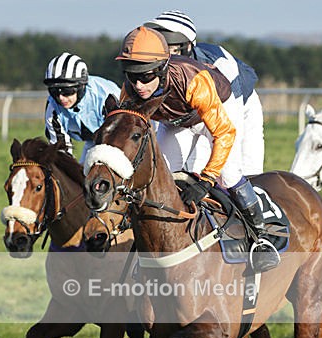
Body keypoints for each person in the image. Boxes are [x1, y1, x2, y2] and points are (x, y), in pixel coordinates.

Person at [116, 25, 279, 271]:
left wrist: (206, 180)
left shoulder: (194, 81)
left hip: (217, 112)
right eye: (132, 75)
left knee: (229, 173)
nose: (139, 85)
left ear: (161, 69)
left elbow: (223, 133)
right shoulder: (129, 91)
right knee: (162, 177)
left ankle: (261, 238)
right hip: (177, 120)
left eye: (146, 76)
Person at [144, 10, 265, 175]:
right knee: (164, 173)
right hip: (187, 116)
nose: (164, 58)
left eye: (169, 50)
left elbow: (228, 127)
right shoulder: (153, 68)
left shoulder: (220, 65)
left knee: (235, 172)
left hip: (235, 108)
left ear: (187, 47)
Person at [44, 52, 119, 161]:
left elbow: (121, 136)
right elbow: (60, 151)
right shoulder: (52, 107)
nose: (61, 98)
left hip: (122, 137)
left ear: (81, 87)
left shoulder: (106, 97)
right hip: (93, 141)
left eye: (67, 91)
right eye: (54, 91)